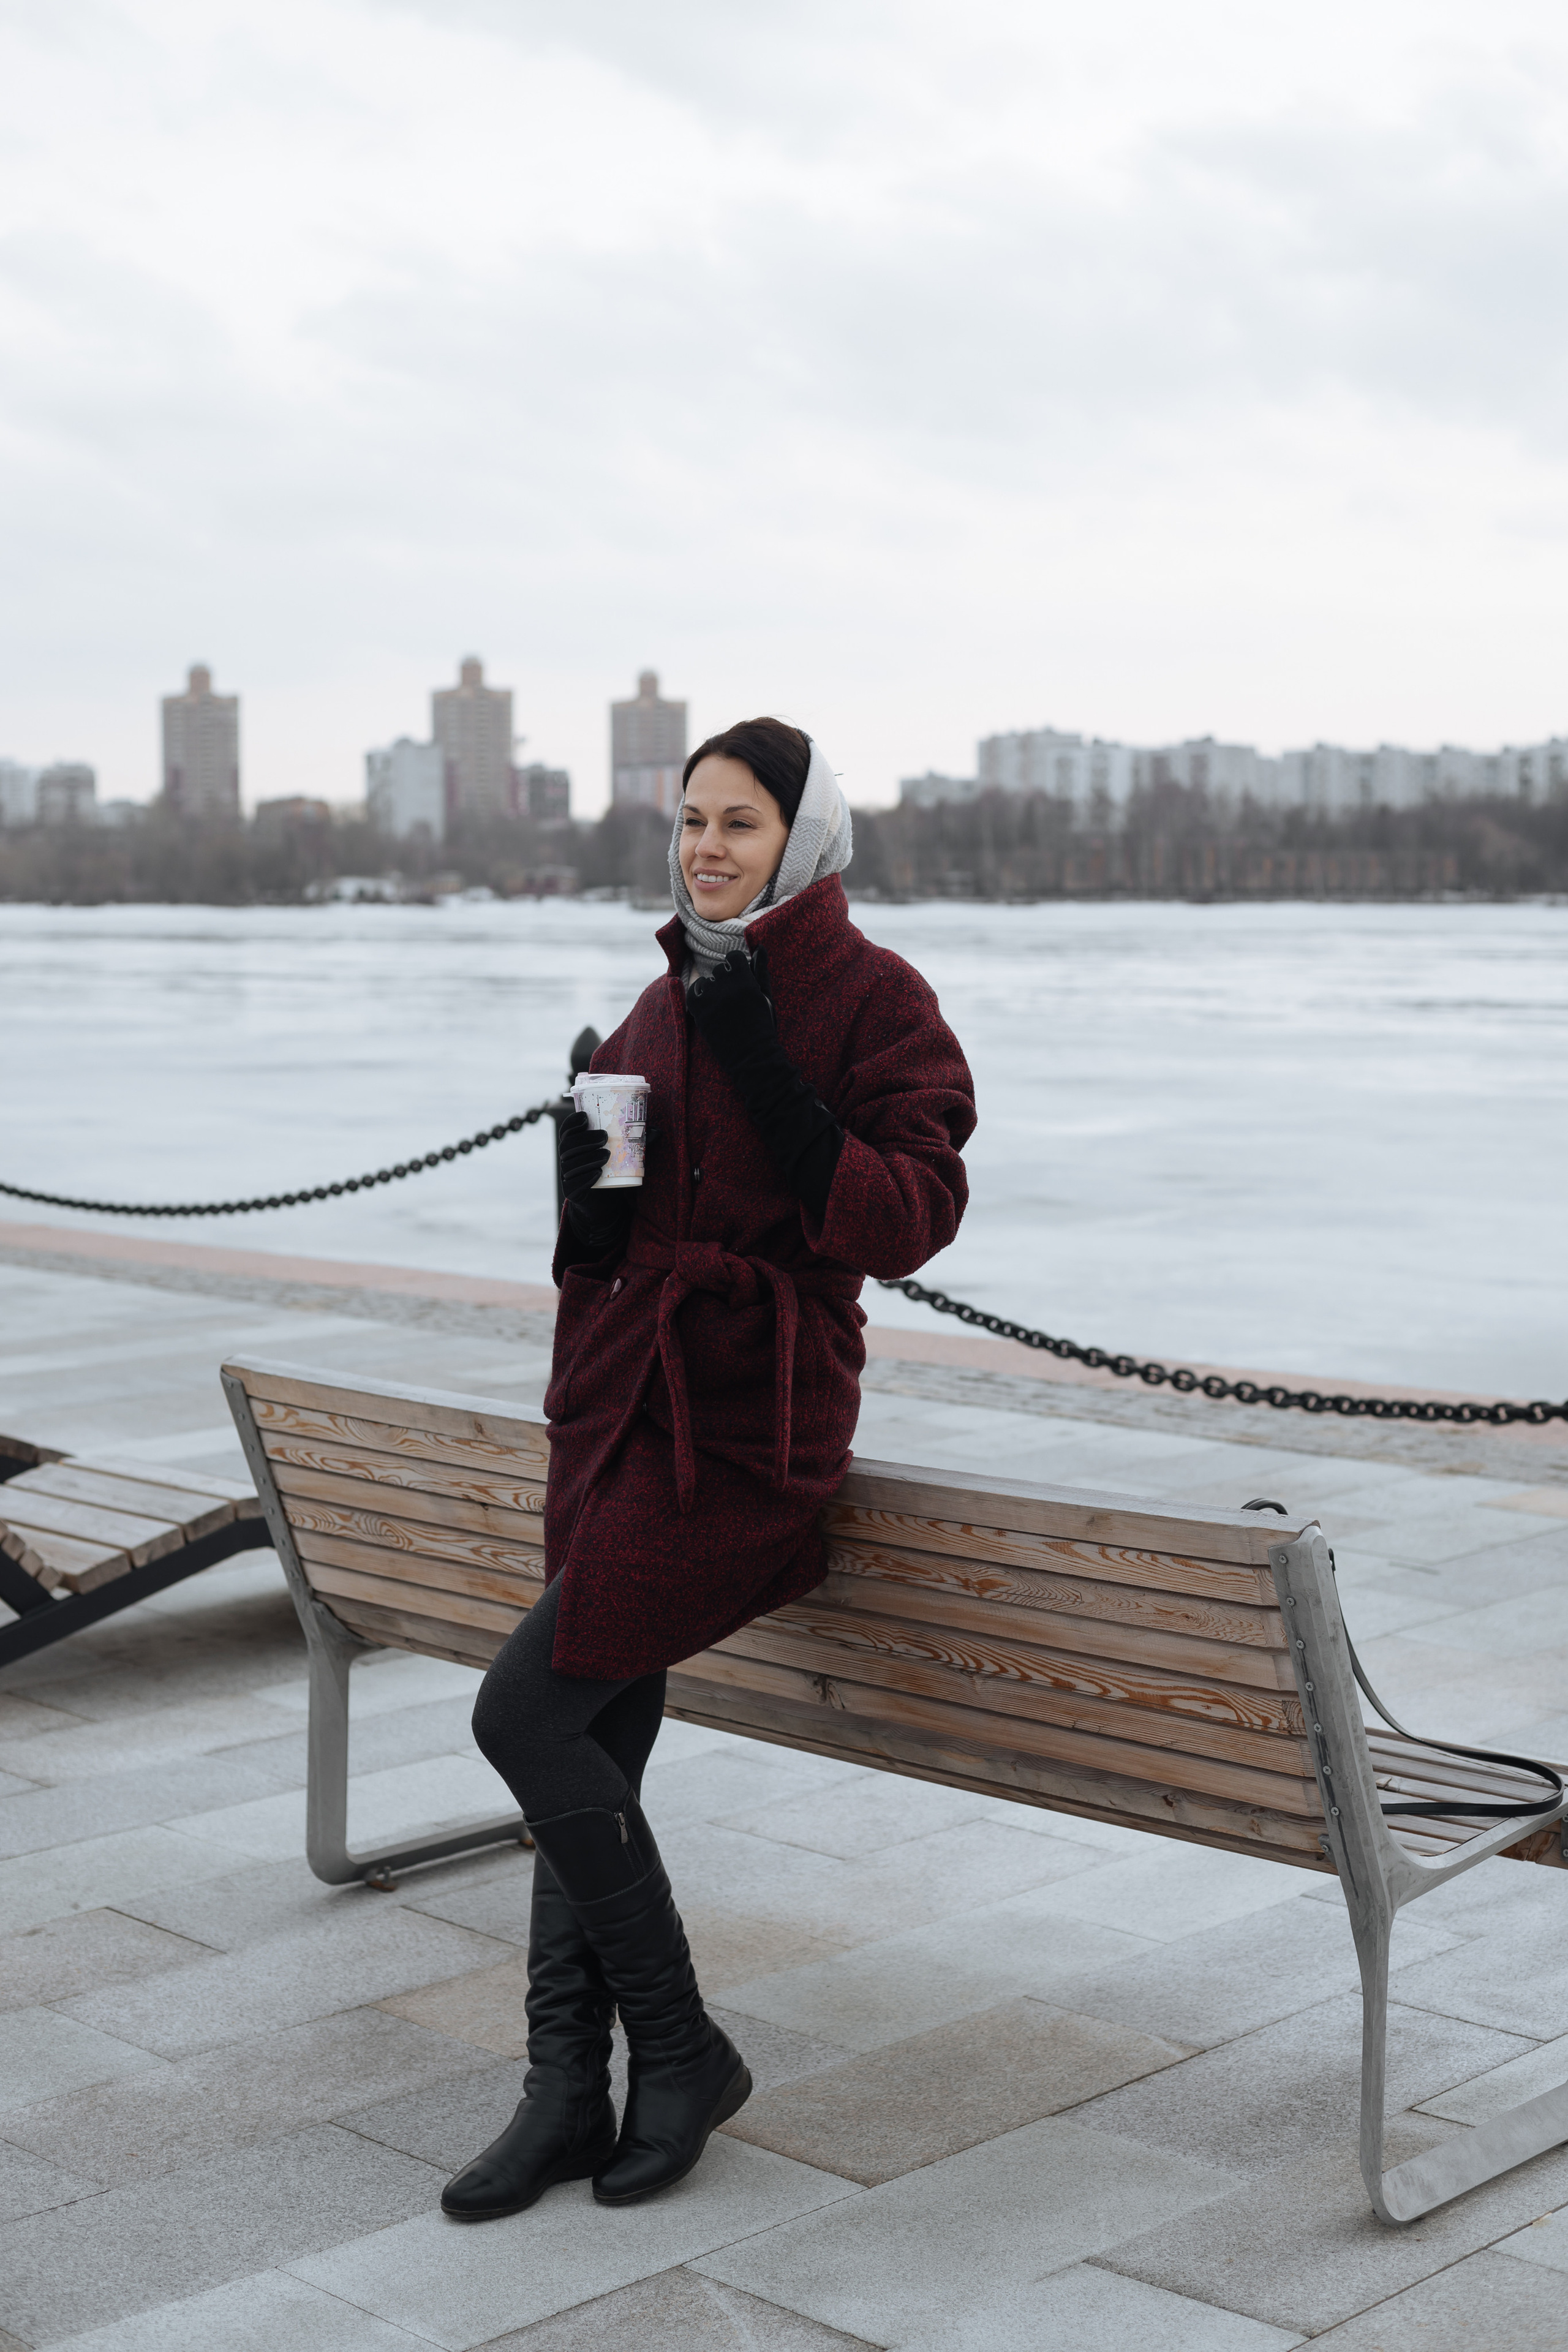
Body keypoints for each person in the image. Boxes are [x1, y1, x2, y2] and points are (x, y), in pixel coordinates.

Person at [443, 717, 975, 2221]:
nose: (704, 851)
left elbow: (910, 1211)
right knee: (590, 1741)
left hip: (746, 1433)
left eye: (736, 824)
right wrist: (586, 1180)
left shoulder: (876, 999)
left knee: (524, 1711)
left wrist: (770, 1076)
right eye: (687, 822)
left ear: (802, 839)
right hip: (615, 1406)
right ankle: (563, 2090)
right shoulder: (664, 984)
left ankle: (680, 2052)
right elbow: (612, 1226)